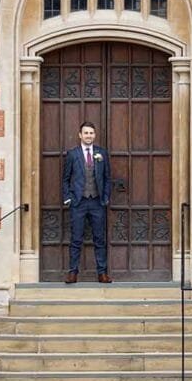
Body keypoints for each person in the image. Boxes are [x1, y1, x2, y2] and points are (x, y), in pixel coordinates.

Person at [62, 121, 112, 284]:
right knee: (76, 239)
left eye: (91, 133)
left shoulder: (101, 153)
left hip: (97, 202)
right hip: (78, 202)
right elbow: (66, 179)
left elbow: (107, 178)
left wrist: (105, 197)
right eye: (86, 133)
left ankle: (102, 273)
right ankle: (73, 272)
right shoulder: (72, 154)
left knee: (99, 239)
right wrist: (68, 197)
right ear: (80, 135)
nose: (88, 136)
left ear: (94, 135)